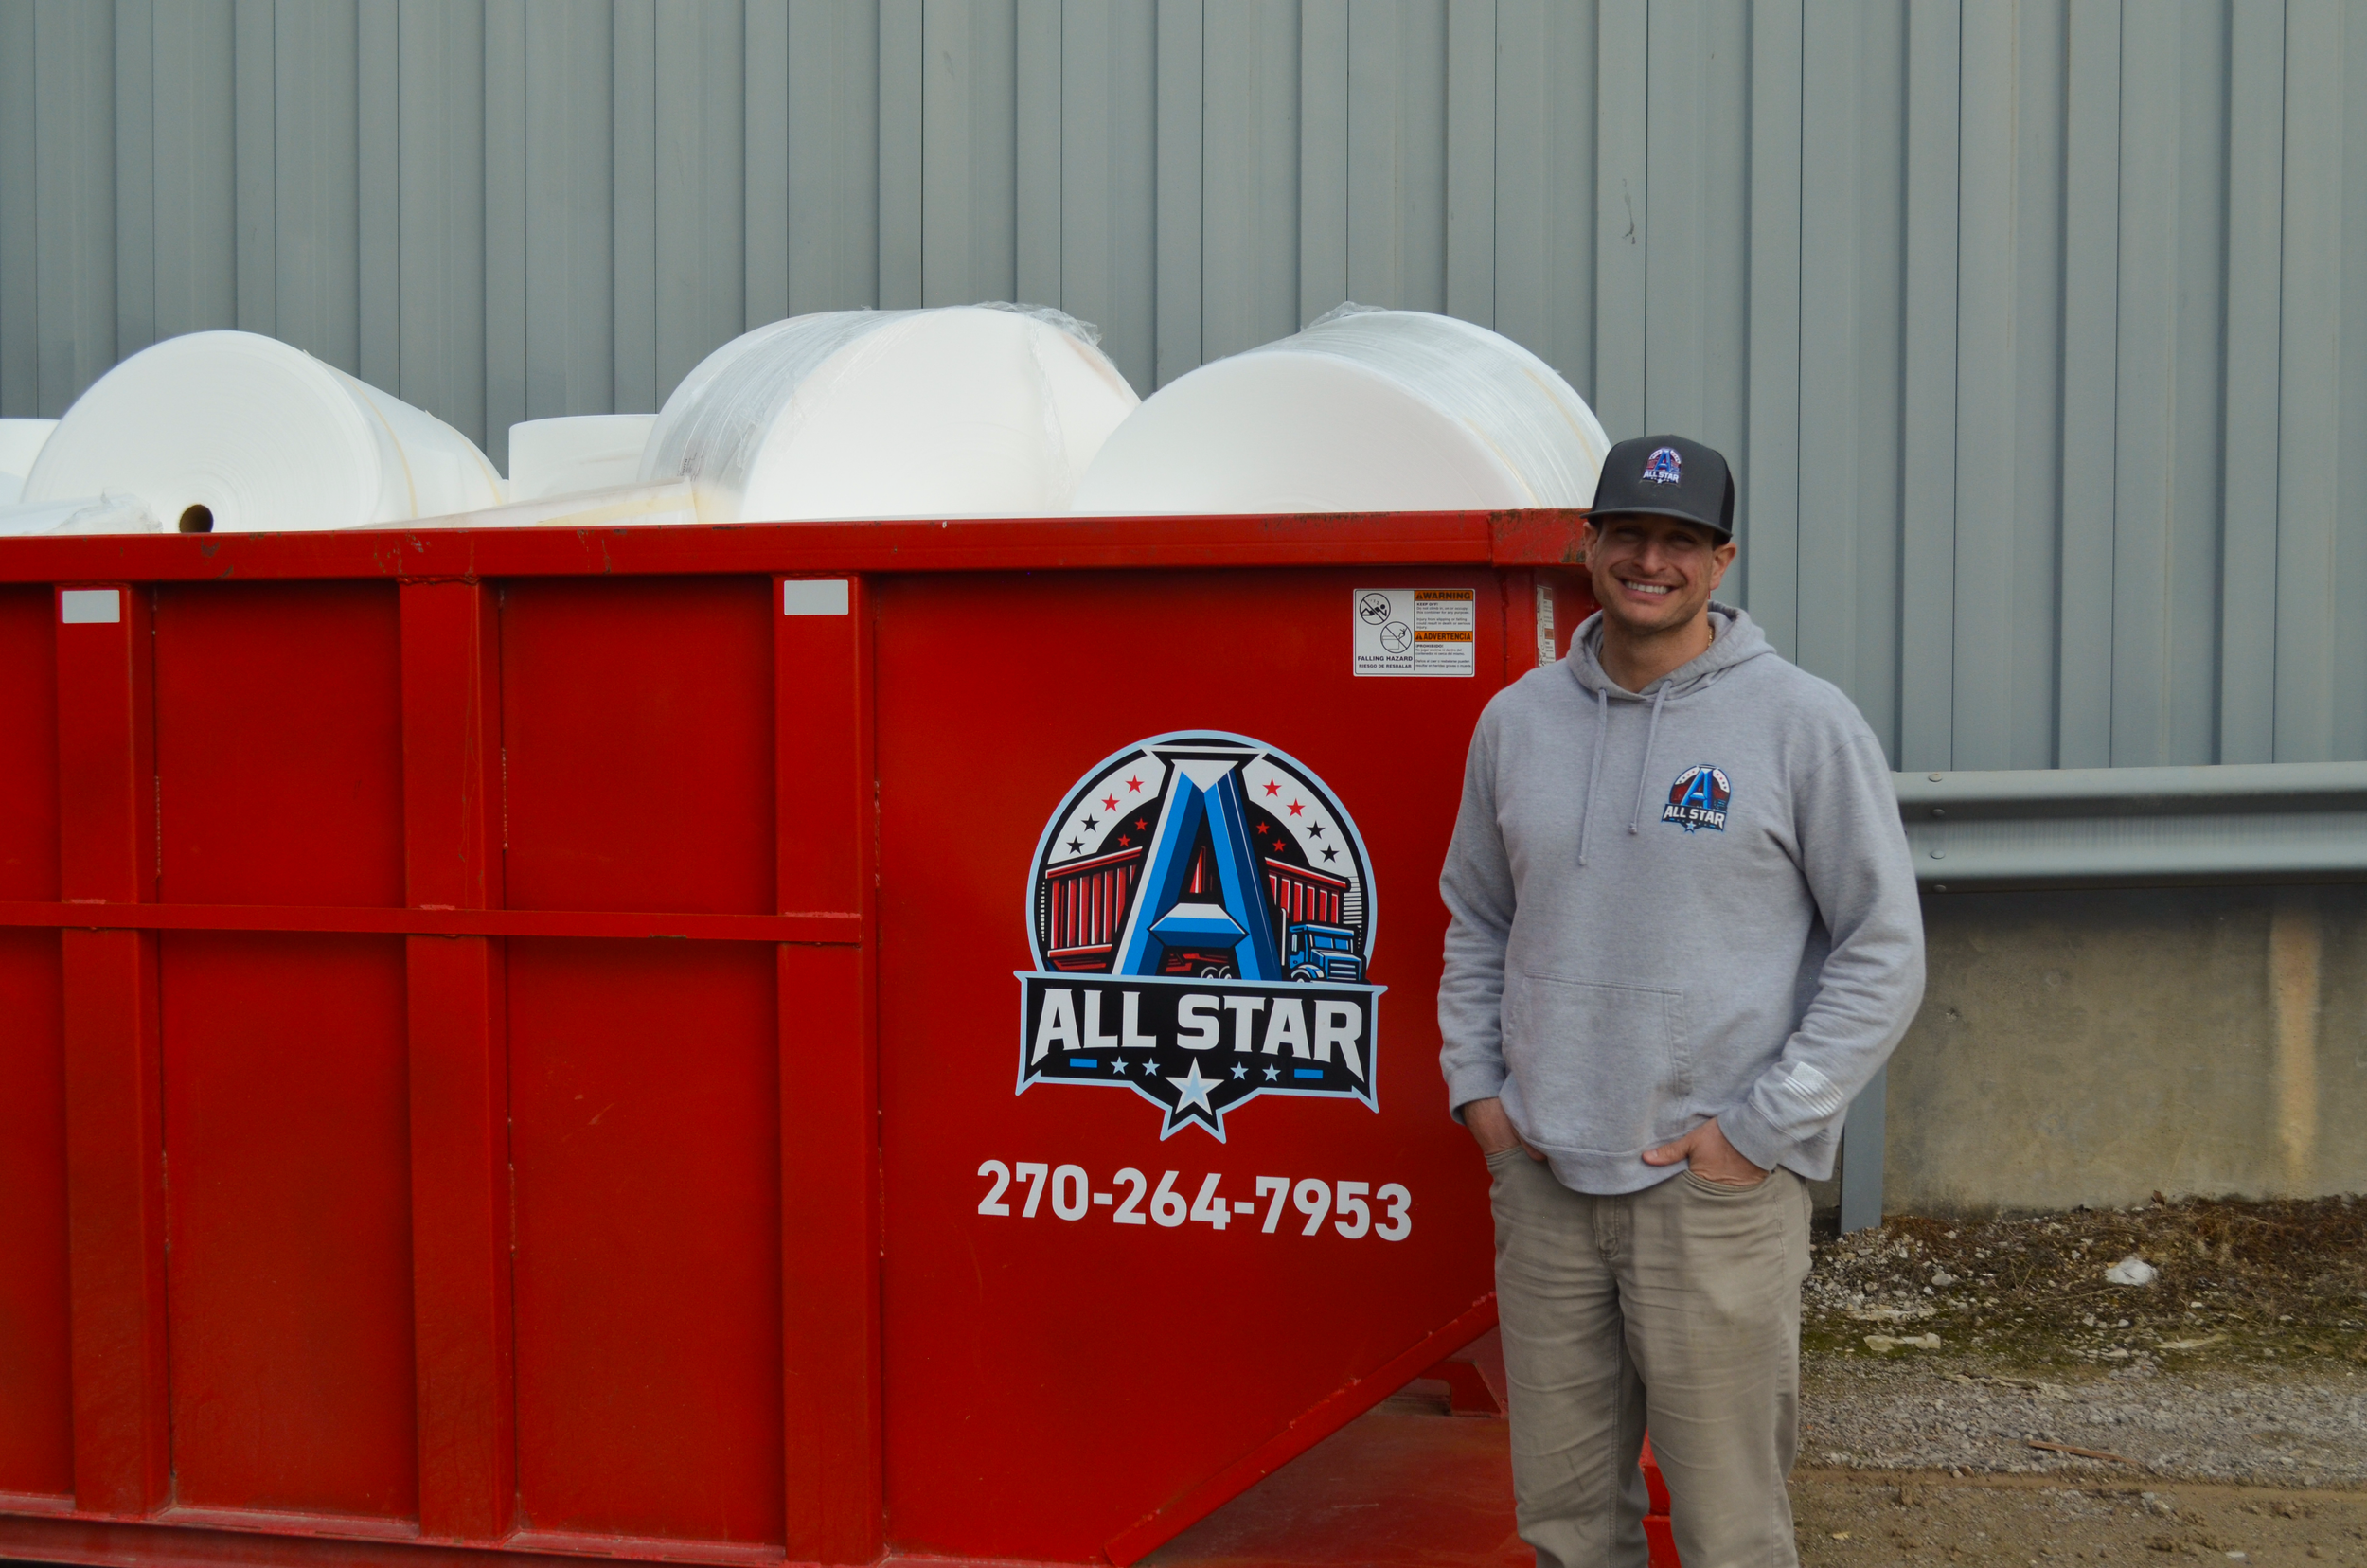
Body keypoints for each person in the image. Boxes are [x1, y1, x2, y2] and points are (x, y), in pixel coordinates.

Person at [1437, 434, 1925, 1568]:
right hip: (1546, 1177)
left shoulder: (1802, 724)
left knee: (1726, 1523)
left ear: (1720, 562)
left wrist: (1756, 1135)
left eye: (1680, 541)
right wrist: (1483, 1096)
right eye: (1628, 535)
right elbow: (1477, 921)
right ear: (1589, 547)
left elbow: (1881, 948)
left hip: (1710, 1195)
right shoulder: (1516, 722)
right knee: (1564, 1521)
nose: (1649, 560)